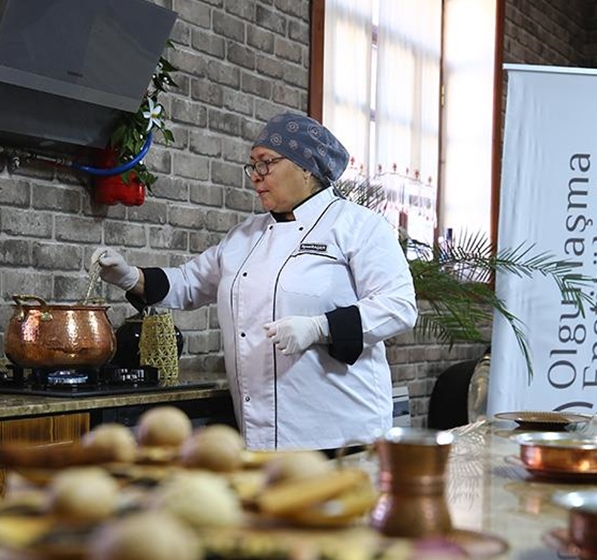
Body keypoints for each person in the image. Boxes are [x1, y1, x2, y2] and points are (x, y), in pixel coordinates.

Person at [92, 112, 417, 451]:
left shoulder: (358, 226)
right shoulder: (244, 237)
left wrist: (321, 328)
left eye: (266, 164)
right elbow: (188, 283)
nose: (256, 177)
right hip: (260, 436)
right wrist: (130, 277)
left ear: (307, 168)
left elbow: (398, 306)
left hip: (342, 433)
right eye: (252, 166)